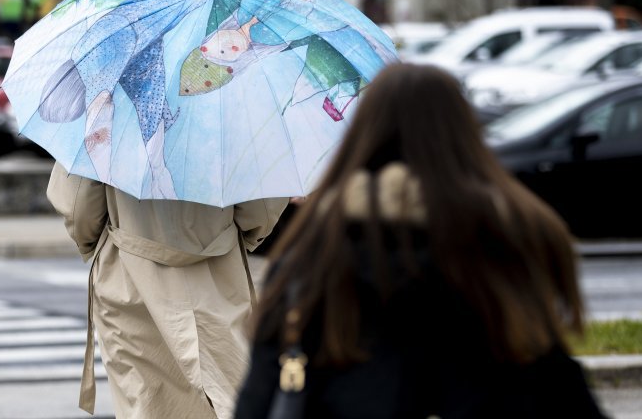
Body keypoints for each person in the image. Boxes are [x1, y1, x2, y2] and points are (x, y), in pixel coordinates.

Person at [235, 62, 608, 418]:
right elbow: (562, 396)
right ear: (465, 136)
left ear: (363, 134)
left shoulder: (315, 253)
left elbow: (259, 400)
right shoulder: (505, 246)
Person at [47, 163, 288, 419]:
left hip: (129, 274)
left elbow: (79, 205)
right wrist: (243, 236)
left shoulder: (106, 121)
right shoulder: (233, 123)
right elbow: (261, 204)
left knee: (144, 401)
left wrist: (92, 243)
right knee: (225, 394)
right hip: (216, 274)